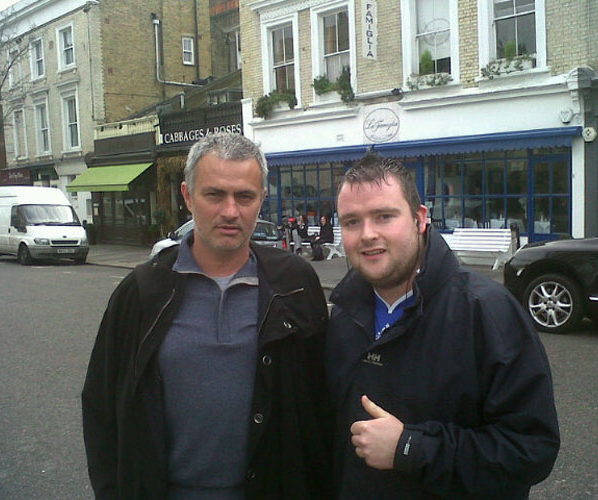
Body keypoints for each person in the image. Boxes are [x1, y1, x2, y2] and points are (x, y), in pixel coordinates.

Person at [82, 133, 332, 500]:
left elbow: (320, 402)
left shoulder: (295, 284)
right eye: (214, 195)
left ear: (262, 199)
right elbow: (101, 410)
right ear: (187, 196)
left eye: (244, 196)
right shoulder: (141, 292)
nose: (230, 211)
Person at [325, 152, 559, 500]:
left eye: (384, 216)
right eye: (352, 222)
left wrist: (410, 448)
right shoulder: (344, 314)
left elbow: (531, 449)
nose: (367, 234)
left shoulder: (487, 312)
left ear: (420, 219)